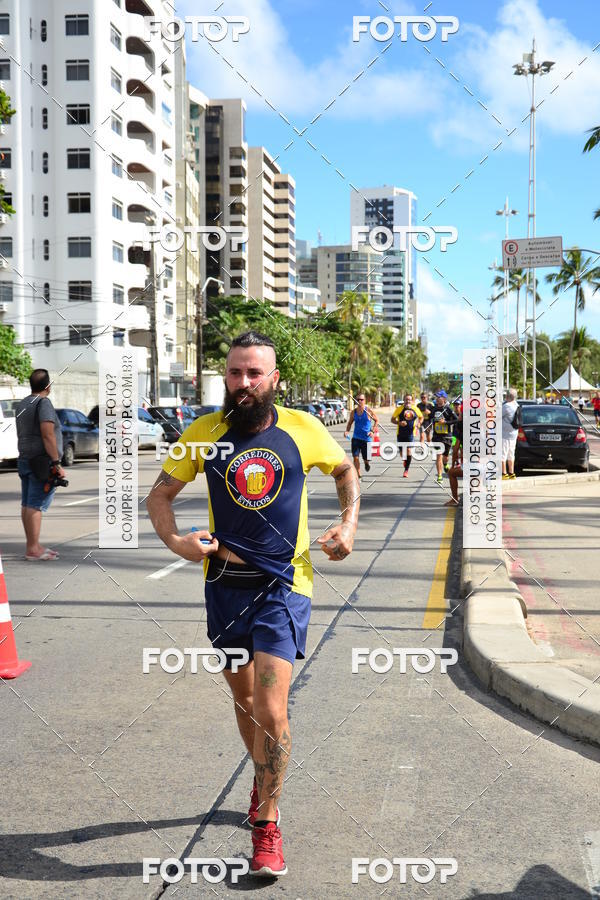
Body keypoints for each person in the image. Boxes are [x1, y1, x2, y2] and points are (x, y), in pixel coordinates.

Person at [147, 331, 360, 879]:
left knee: (271, 707)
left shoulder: (303, 428)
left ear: (274, 379)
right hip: (224, 587)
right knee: (246, 706)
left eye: (254, 373)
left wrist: (349, 523)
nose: (244, 383)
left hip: (285, 587)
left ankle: (267, 824)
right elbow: (160, 495)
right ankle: (263, 782)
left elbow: (344, 472)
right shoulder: (205, 433)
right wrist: (176, 544)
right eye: (236, 372)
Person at [15, 368, 65, 560]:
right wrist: (56, 463)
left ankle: (32, 545)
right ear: (48, 386)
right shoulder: (44, 403)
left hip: (25, 459)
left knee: (28, 504)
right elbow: (47, 433)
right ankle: (33, 549)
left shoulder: (23, 404)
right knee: (35, 505)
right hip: (41, 462)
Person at [344, 393, 378, 479]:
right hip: (356, 438)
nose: (359, 401)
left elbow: (376, 421)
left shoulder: (369, 411)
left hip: (367, 439)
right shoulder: (354, 412)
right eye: (358, 399)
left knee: (367, 458)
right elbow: (350, 423)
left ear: (364, 401)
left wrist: (372, 431)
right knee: (355, 457)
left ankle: (366, 463)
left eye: (361, 399)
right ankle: (359, 474)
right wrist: (347, 431)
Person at [391, 393, 423, 478]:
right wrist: (399, 422)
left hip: (410, 434)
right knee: (402, 454)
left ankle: (406, 470)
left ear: (412, 401)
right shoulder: (399, 409)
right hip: (400, 434)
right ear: (404, 400)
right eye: (406, 399)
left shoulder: (415, 409)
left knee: (409, 451)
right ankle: (405, 460)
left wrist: (419, 423)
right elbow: (392, 419)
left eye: (409, 399)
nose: (408, 401)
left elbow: (421, 417)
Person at [431, 391, 458, 485]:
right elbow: (429, 419)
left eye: (439, 397)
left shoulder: (448, 409)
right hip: (436, 437)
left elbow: (456, 420)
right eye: (436, 397)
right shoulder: (433, 409)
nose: (437, 399)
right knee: (438, 455)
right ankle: (439, 476)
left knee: (445, 457)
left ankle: (445, 464)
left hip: (447, 436)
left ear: (444, 399)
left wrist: (446, 422)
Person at [502, 388, 520, 480]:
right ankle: (511, 473)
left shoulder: (506, 406)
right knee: (511, 453)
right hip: (514, 434)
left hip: (505, 434)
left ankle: (504, 473)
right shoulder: (517, 405)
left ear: (507, 396)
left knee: (503, 453)